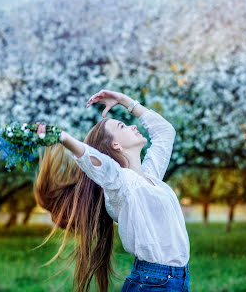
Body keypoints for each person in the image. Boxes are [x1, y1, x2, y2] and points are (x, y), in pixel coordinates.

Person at [34, 89, 190, 292]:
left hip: (177, 279)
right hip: (154, 283)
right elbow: (92, 160)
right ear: (115, 145)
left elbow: (165, 132)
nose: (133, 125)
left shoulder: (151, 176)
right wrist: (62, 137)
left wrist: (124, 101)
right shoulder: (120, 183)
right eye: (122, 126)